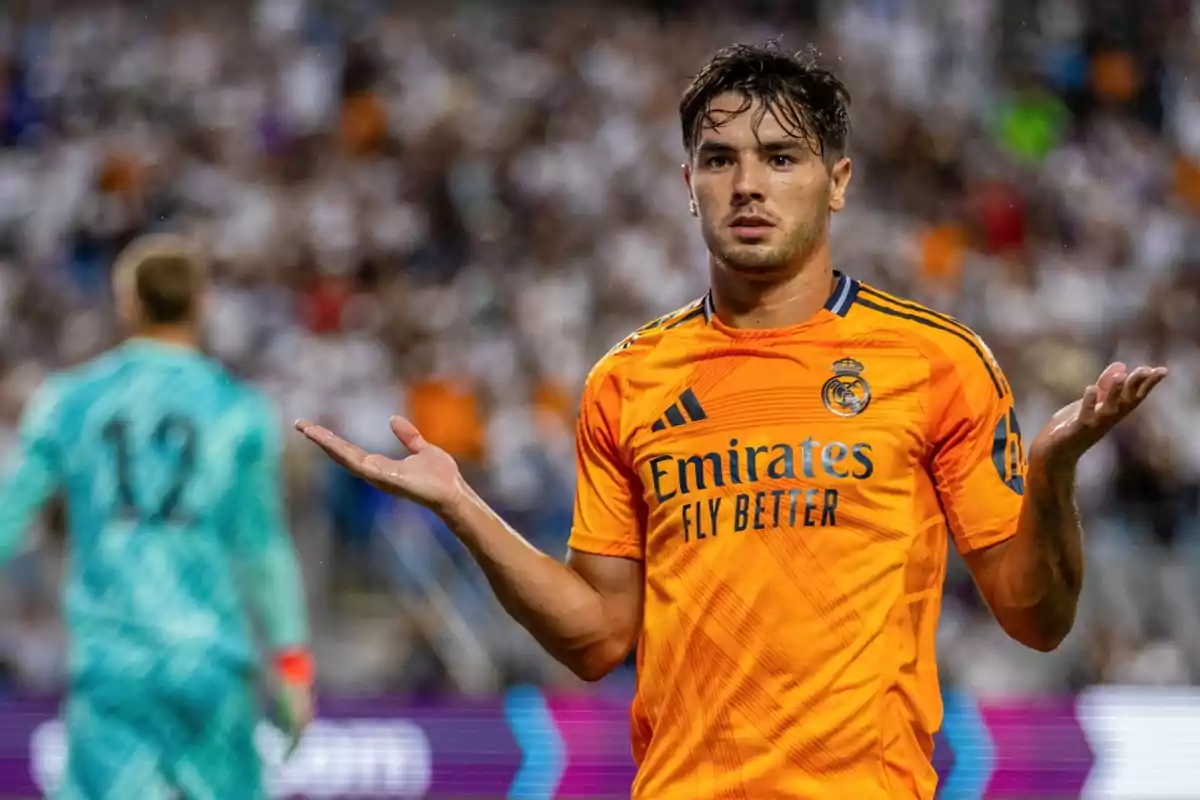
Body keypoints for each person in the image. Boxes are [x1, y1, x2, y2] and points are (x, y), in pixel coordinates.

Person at [296, 43, 1168, 799]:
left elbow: (1037, 619)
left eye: (781, 157)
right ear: (688, 184)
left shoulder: (935, 361)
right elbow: (599, 638)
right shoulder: (627, 381)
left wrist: (1052, 477)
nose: (747, 184)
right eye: (719, 159)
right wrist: (462, 508)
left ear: (838, 184)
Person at [0, 235, 313, 799]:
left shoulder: (70, 400)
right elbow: (263, 548)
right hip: (209, 658)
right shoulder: (239, 411)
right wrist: (291, 661)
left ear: (127, 302)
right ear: (201, 303)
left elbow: (7, 514)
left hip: (112, 660)